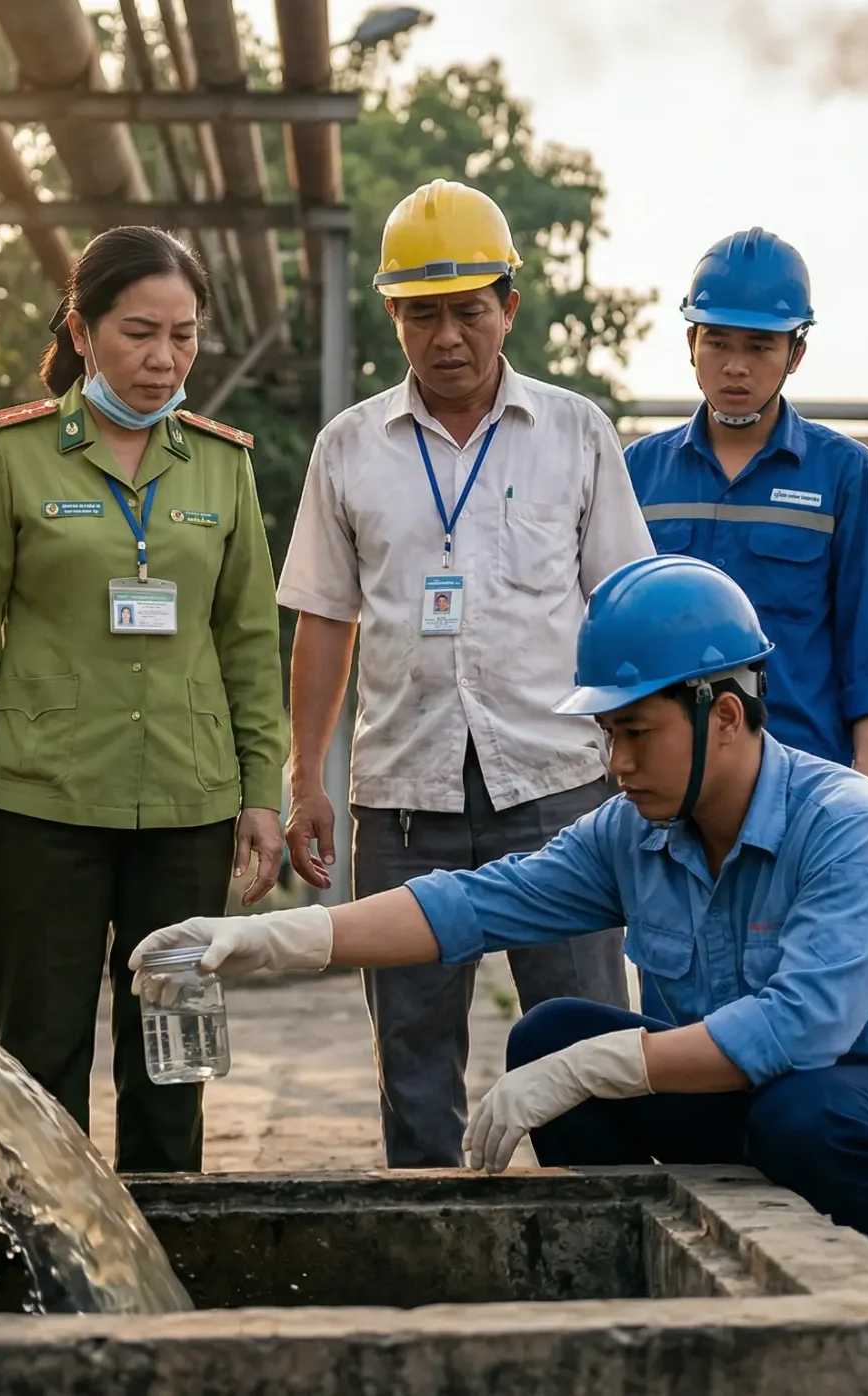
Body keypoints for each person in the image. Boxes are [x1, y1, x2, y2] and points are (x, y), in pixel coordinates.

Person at [134, 557, 868, 1290]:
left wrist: (605, 1064)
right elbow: (472, 904)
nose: (616, 764)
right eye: (607, 737)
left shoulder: (846, 825)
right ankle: (637, 1287)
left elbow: (802, 1028)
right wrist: (272, 940)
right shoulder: (634, 831)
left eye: (636, 734)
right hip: (759, 1108)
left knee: (795, 1106)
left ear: (728, 715)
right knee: (551, 1033)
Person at [277, 178, 654, 1168]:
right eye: (422, 313)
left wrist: (636, 767)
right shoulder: (349, 448)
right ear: (393, 318)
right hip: (403, 797)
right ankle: (426, 1235)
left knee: (585, 1041)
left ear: (508, 309)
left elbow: (625, 608)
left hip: (557, 793)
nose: (448, 336)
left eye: (468, 310)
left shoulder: (576, 433)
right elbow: (324, 617)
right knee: (412, 1048)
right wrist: (304, 774)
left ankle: (597, 1228)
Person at [0, 226, 287, 1174]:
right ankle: (45, 1268)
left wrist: (262, 793)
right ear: (83, 331)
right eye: (139, 332)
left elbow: (249, 638)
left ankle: (168, 1258)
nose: (165, 359)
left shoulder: (222, 464)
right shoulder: (12, 455)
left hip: (190, 802)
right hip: (45, 798)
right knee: (39, 1059)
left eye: (184, 334)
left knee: (176, 1057)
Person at [626, 229, 868, 777]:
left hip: (800, 773)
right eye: (718, 342)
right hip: (666, 776)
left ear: (796, 353)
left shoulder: (845, 473)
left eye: (759, 346)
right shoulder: (638, 472)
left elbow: (867, 645)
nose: (735, 366)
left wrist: (867, 780)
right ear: (691, 345)